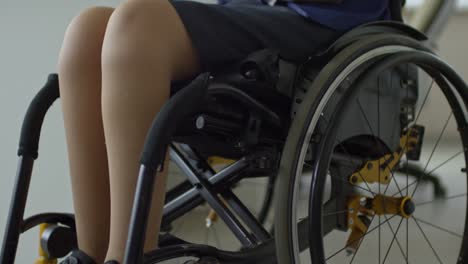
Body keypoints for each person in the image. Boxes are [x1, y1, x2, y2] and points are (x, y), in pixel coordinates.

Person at [57, 0, 390, 263]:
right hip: (255, 9)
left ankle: (128, 255)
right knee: (86, 33)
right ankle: (93, 253)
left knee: (138, 26)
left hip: (326, 20)